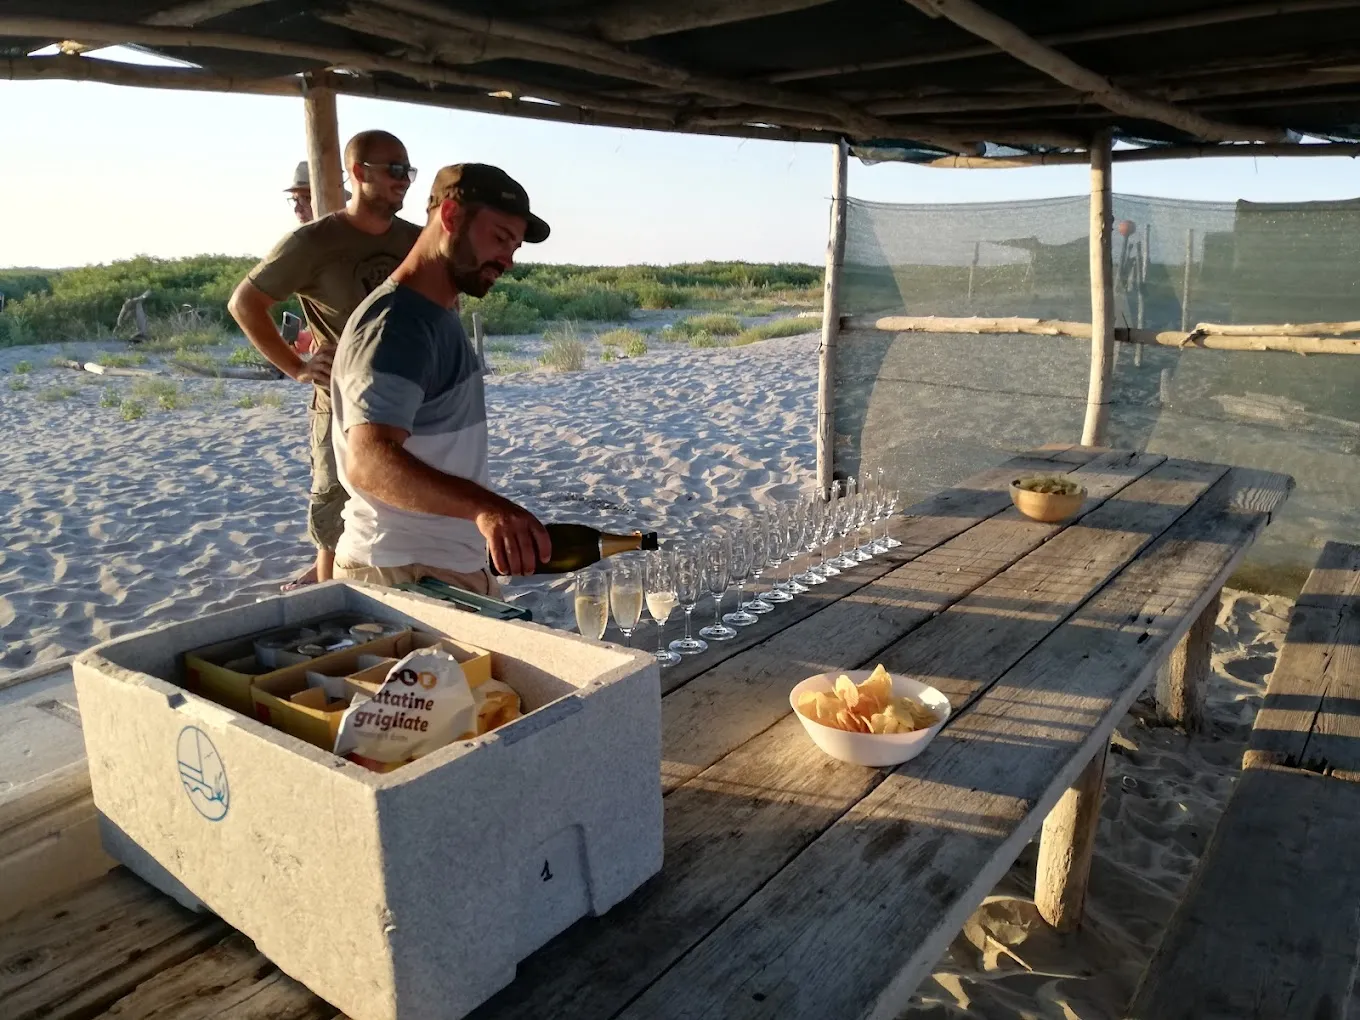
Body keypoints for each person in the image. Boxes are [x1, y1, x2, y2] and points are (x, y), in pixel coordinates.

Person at [329, 164, 552, 593]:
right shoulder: (398, 324)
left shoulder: (434, 314)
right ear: (450, 217)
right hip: (405, 572)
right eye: (501, 238)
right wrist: (486, 509)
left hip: (438, 568)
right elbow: (368, 459)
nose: (508, 259)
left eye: (516, 246)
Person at [229, 131, 422, 590]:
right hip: (342, 404)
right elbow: (245, 304)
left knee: (408, 504)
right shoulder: (313, 242)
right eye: (394, 170)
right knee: (336, 513)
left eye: (408, 172)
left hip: (413, 401)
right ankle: (331, 602)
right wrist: (296, 367)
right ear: (358, 173)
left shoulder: (416, 239)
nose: (404, 181)